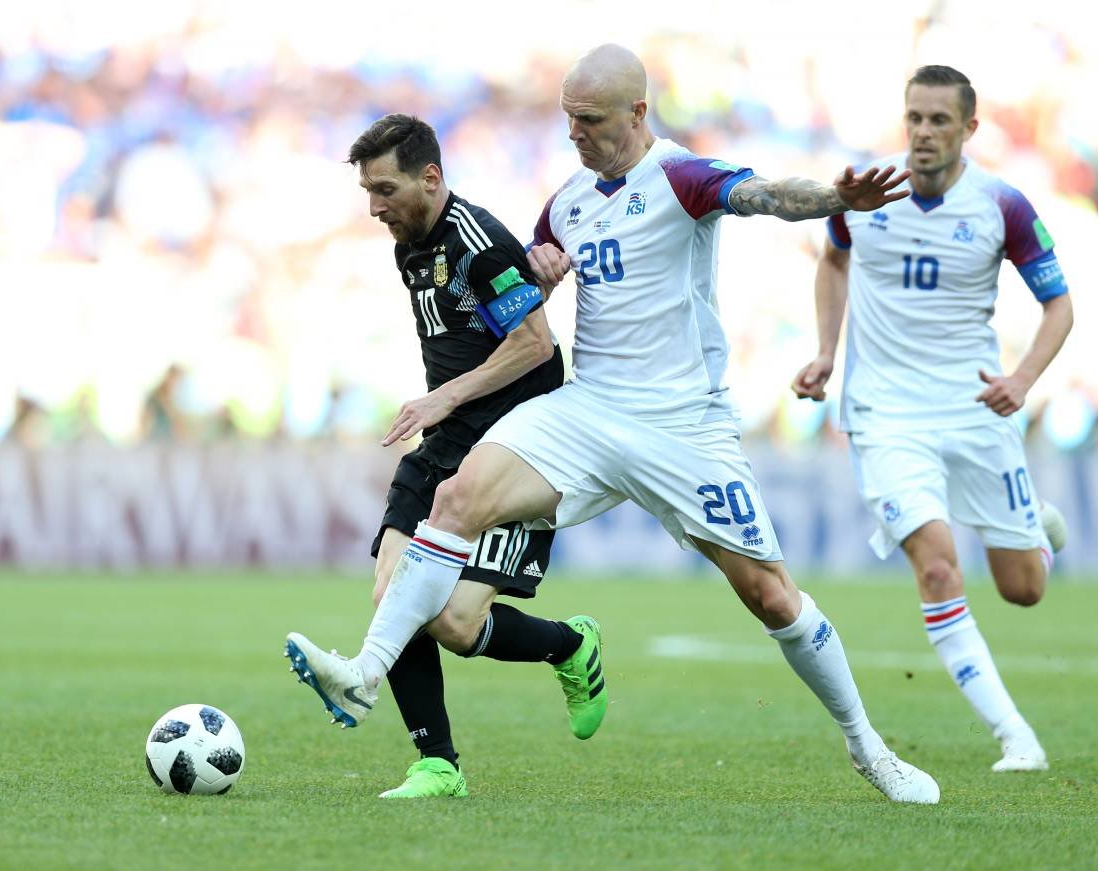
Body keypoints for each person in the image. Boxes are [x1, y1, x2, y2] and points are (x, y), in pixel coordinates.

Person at [289, 44, 941, 804]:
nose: (576, 135)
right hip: (589, 410)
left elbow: (764, 195)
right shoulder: (566, 199)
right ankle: (365, 674)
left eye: (591, 121)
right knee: (456, 498)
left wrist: (832, 198)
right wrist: (541, 268)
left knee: (770, 595)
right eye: (568, 121)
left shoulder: (681, 176)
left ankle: (870, 748)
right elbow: (530, 277)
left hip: (682, 425)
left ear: (636, 112)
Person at [286, 114, 607, 799]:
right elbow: (482, 324)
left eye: (385, 188)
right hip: (446, 444)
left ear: (431, 178)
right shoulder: (409, 244)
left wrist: (440, 399)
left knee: (456, 625)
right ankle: (437, 764)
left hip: (513, 447)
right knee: (392, 594)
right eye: (367, 191)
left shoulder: (478, 241)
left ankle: (569, 645)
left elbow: (533, 344)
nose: (374, 207)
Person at [792, 65, 1073, 772]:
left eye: (938, 120)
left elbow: (1060, 306)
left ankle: (1038, 526)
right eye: (914, 117)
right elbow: (832, 259)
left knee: (1025, 589)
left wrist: (1023, 378)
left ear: (969, 130)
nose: (921, 132)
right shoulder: (863, 192)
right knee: (939, 567)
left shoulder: (1000, 205)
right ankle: (1017, 736)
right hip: (885, 415)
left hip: (976, 407)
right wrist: (827, 351)